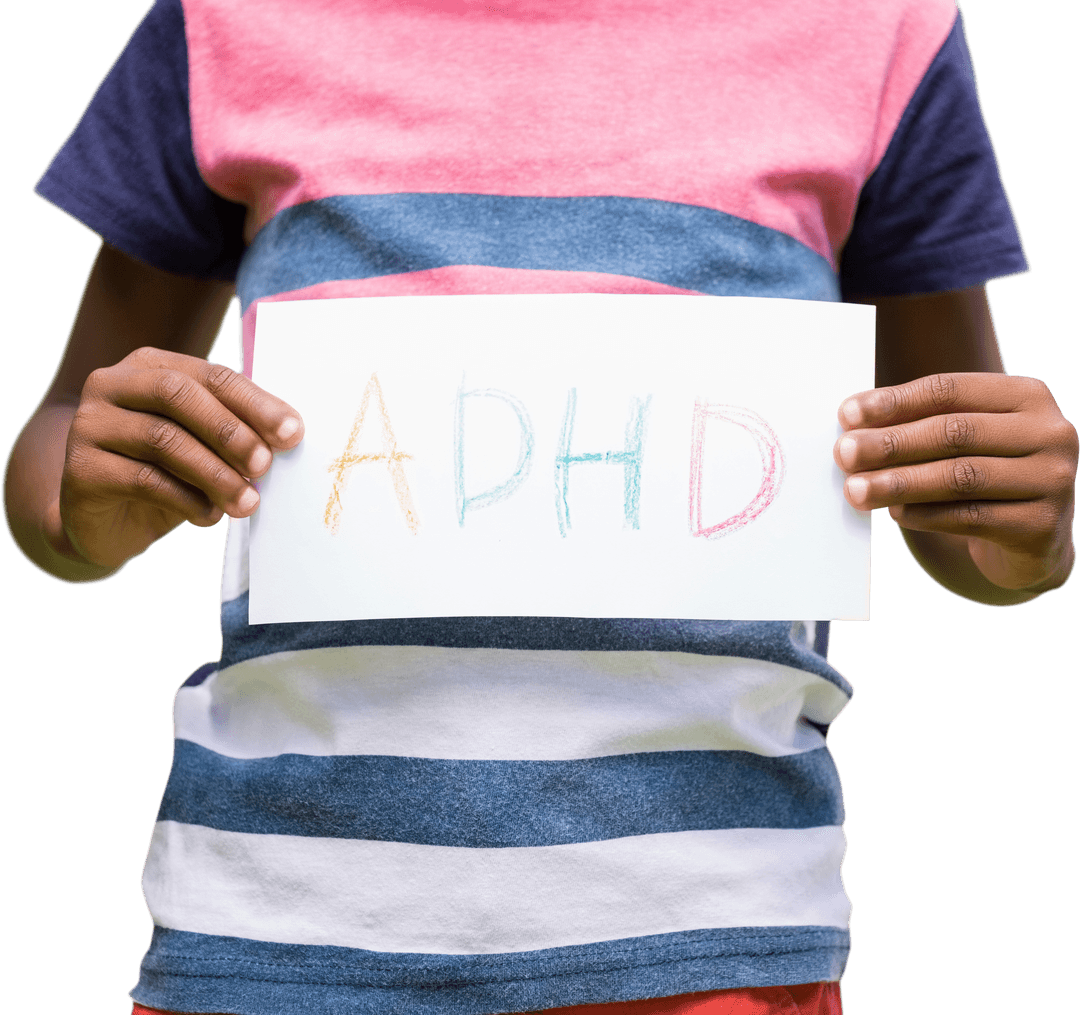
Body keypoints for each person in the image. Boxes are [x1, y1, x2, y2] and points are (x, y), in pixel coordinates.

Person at [4, 1, 1076, 1014]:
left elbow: (956, 495)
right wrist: (84, 500)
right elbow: (60, 440)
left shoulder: (879, 30)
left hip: (712, 930)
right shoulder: (224, 23)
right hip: (270, 920)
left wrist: (1023, 530)